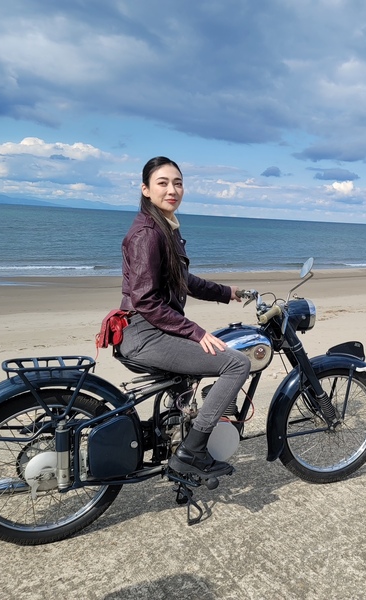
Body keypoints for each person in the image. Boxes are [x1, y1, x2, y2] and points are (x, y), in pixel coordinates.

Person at [117, 156, 251, 478]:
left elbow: (182, 280)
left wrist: (227, 292)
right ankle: (192, 452)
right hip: (146, 333)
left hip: (152, 328)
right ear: (146, 189)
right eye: (162, 183)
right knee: (237, 363)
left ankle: (181, 434)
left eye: (177, 183)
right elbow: (145, 300)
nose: (172, 190)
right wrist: (195, 332)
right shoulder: (148, 234)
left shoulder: (165, 227)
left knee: (192, 379)